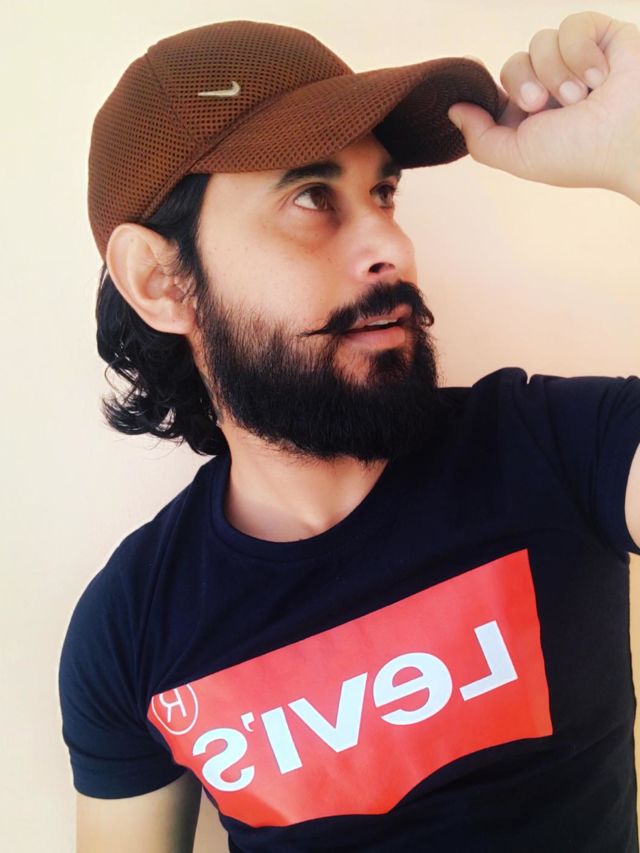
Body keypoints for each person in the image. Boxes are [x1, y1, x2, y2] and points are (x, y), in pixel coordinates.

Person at [58, 12, 640, 853]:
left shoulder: (553, 445)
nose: (391, 245)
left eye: (383, 194)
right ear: (161, 280)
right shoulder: (129, 627)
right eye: (311, 198)